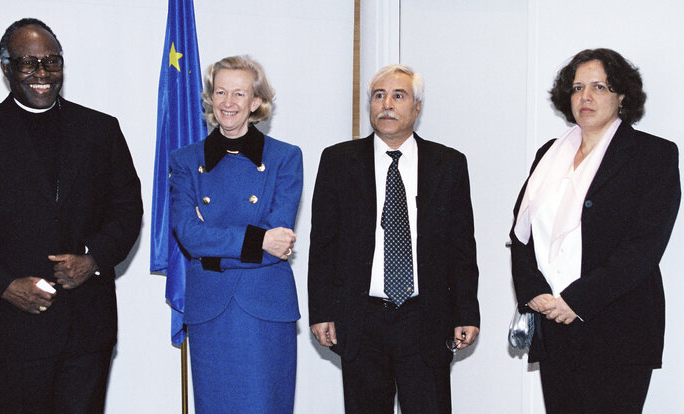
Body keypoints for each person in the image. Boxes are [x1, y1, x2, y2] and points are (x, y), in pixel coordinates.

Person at [0, 18, 143, 413]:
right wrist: (5, 285)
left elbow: (127, 209)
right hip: (16, 330)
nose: (42, 74)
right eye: (29, 63)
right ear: (6, 68)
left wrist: (94, 260)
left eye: (52, 62)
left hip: (88, 328)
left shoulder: (101, 130)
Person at [510, 48, 681, 413]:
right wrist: (534, 291)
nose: (585, 97)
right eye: (576, 88)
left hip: (618, 330)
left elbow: (644, 248)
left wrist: (578, 300)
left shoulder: (654, 155)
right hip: (554, 324)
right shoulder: (548, 155)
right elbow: (521, 236)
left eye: (599, 87)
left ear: (622, 96)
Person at [308, 64, 480, 413]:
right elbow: (323, 244)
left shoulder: (448, 164)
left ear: (417, 107)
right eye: (378, 95)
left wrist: (467, 311)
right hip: (361, 318)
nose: (386, 104)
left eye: (398, 95)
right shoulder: (338, 161)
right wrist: (321, 310)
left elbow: (462, 247)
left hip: (425, 318)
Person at [168, 55, 302, 413]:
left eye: (239, 94)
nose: (228, 103)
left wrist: (213, 239)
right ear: (210, 98)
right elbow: (189, 236)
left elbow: (280, 241)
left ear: (256, 101)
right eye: (221, 92)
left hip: (264, 309)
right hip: (211, 309)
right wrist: (259, 239)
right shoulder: (184, 161)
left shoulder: (285, 158)